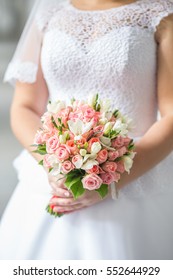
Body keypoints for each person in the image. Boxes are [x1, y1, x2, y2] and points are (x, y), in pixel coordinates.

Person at [0, 0, 173, 260]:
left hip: (135, 174)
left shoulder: (161, 13)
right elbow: (24, 106)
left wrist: (113, 180)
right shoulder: (49, 11)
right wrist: (54, 165)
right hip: (52, 178)